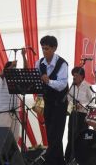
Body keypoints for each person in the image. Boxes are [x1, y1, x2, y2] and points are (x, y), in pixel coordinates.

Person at [35, 35, 68, 165]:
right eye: (42, 48)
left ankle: (49, 161)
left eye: (47, 48)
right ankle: (59, 161)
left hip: (60, 104)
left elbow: (62, 85)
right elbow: (37, 80)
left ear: (54, 48)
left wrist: (48, 81)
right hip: (48, 103)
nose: (44, 51)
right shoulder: (39, 63)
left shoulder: (62, 63)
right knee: (51, 134)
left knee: (56, 135)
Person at [0, 49, 27, 142]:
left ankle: (11, 156)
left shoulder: (17, 78)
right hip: (3, 111)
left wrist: (23, 56)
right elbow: (1, 75)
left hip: (15, 110)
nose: (14, 69)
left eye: (15, 68)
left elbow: (26, 70)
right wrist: (11, 66)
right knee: (3, 136)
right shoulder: (0, 78)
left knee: (15, 138)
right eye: (12, 68)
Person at [65, 66, 93, 162]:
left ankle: (82, 160)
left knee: (82, 138)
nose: (74, 78)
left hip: (83, 116)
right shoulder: (72, 87)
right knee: (71, 137)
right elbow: (68, 101)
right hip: (73, 114)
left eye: (76, 76)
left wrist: (83, 105)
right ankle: (69, 159)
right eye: (73, 76)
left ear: (81, 76)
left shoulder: (88, 86)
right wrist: (69, 108)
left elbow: (92, 101)